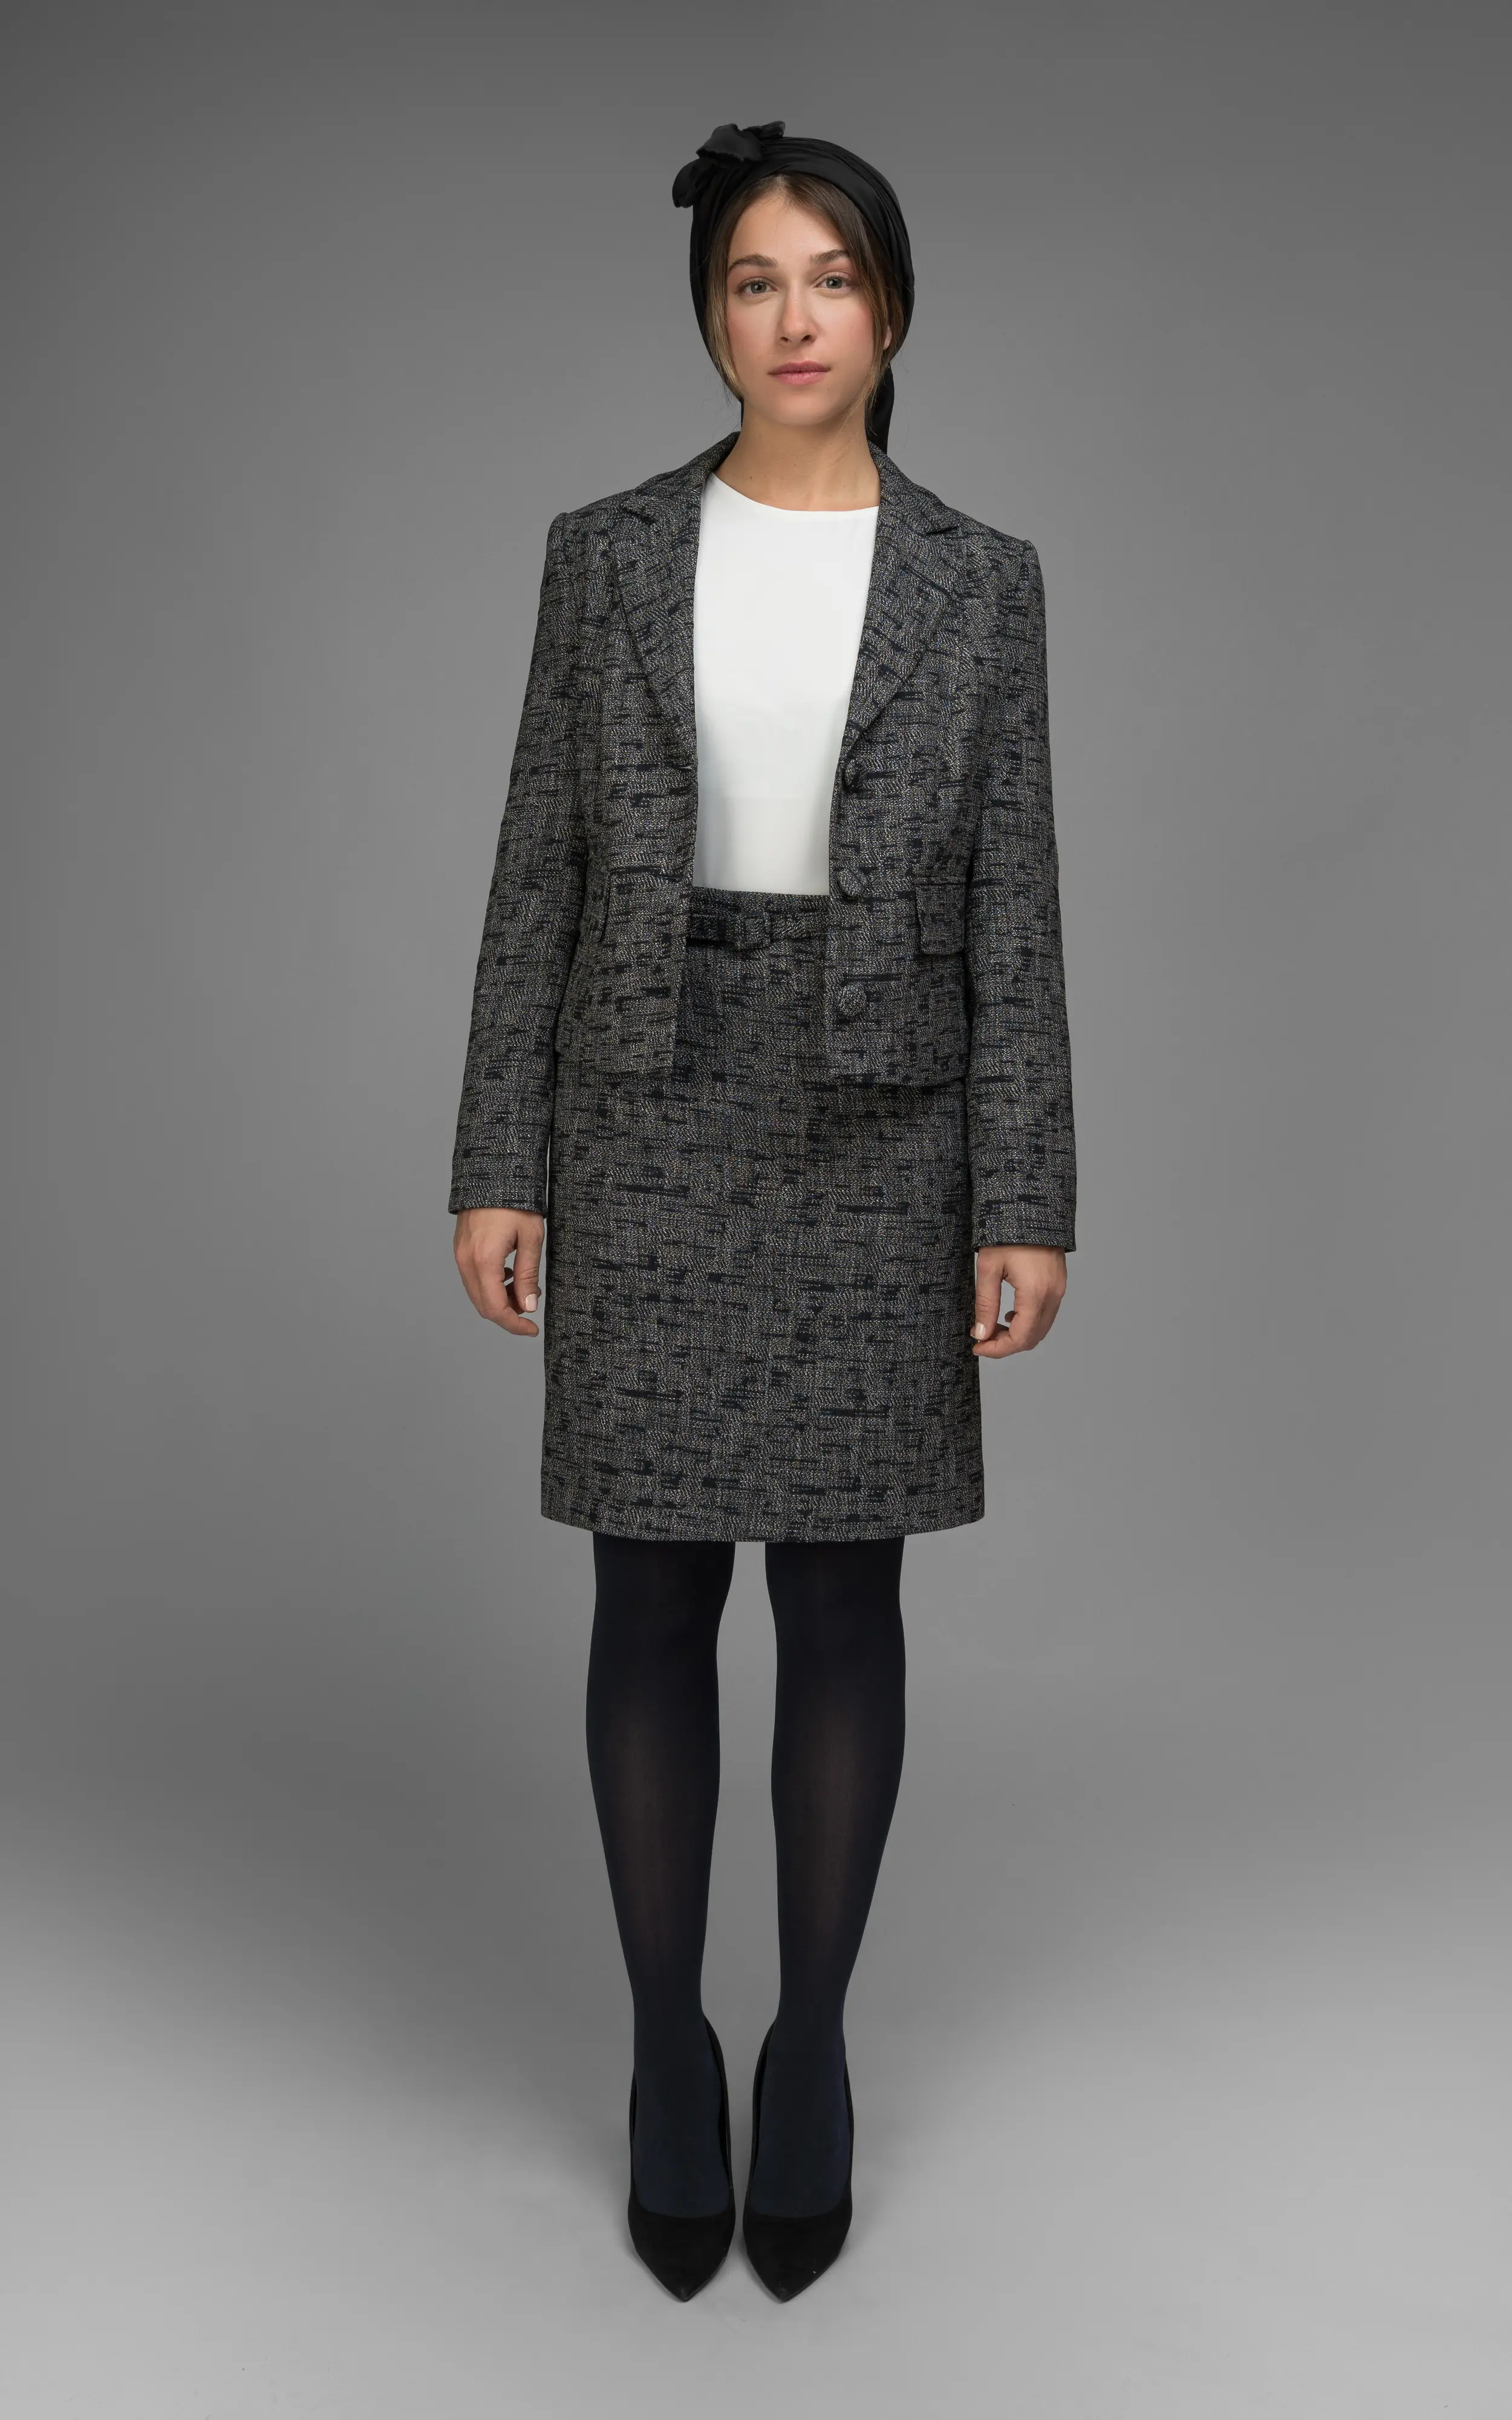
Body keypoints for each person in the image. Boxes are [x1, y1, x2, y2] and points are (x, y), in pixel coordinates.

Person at [448, 119, 1076, 2302]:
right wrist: (497, 1156)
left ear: (889, 307)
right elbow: (537, 863)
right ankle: (664, 2050)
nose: (792, 318)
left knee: (838, 1594)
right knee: (645, 1592)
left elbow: (1016, 905)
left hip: (878, 1122)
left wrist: (1022, 1191)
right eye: (751, 280)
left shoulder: (982, 580)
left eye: (828, 277)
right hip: (638, 1098)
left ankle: (806, 2047)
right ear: (708, 315)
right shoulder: (606, 555)